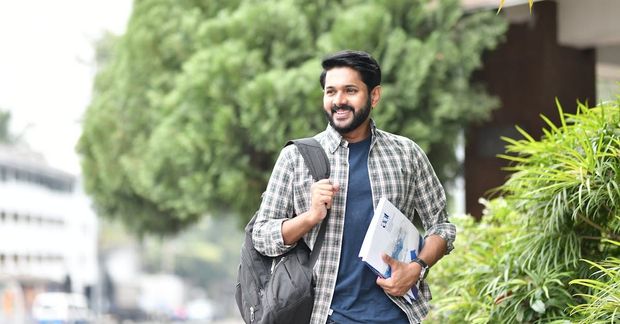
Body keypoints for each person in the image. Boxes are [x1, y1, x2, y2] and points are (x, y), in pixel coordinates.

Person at [252, 50, 456, 324]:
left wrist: (416, 268)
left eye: (350, 90)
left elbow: (441, 226)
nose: (339, 101)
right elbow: (262, 237)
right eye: (330, 91)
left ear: (374, 96)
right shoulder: (295, 157)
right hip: (324, 315)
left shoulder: (407, 154)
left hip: (396, 316)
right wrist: (310, 217)